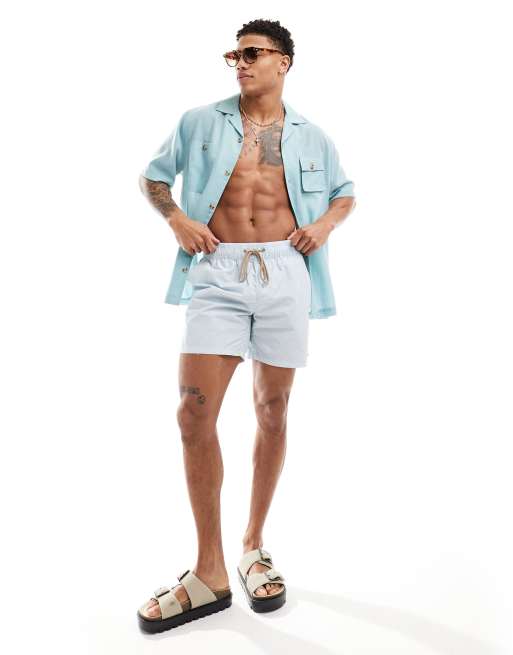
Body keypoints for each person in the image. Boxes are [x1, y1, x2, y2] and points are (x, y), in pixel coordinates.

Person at [137, 18, 356, 633]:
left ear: (284, 62)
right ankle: (208, 570)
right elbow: (154, 177)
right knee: (193, 414)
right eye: (234, 55)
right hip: (217, 269)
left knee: (272, 411)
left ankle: (252, 546)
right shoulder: (199, 121)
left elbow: (345, 192)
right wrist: (177, 219)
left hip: (286, 271)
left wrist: (324, 225)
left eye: (253, 53)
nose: (241, 62)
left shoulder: (313, 136)